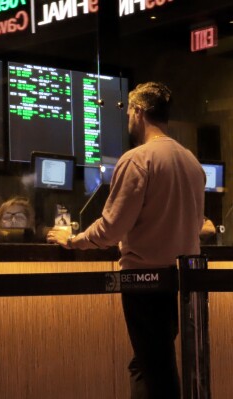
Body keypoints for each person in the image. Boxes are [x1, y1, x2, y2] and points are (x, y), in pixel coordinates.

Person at [47, 82, 205, 399]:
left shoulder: (137, 160)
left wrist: (72, 240)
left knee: (155, 368)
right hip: (181, 280)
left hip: (144, 280)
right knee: (149, 363)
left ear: (137, 112)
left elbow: (111, 228)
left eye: (129, 113)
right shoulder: (191, 162)